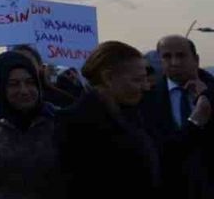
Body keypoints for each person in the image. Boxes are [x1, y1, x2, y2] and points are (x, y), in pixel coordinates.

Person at [56, 40, 162, 195]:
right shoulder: (74, 124)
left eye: (145, 79)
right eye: (137, 80)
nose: (146, 86)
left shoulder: (135, 114)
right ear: (108, 78)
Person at [0, 51, 64, 199]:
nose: (24, 91)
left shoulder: (58, 120)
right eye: (13, 84)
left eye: (30, 82)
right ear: (0, 87)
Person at [139, 35, 214, 197]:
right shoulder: (146, 98)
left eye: (181, 55)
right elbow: (159, 150)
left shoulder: (210, 91)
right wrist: (196, 120)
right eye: (167, 56)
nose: (175, 62)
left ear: (196, 59)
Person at [10, 44, 75, 109]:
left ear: (40, 66)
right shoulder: (2, 100)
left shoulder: (61, 99)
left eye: (28, 62)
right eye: (16, 63)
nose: (22, 67)